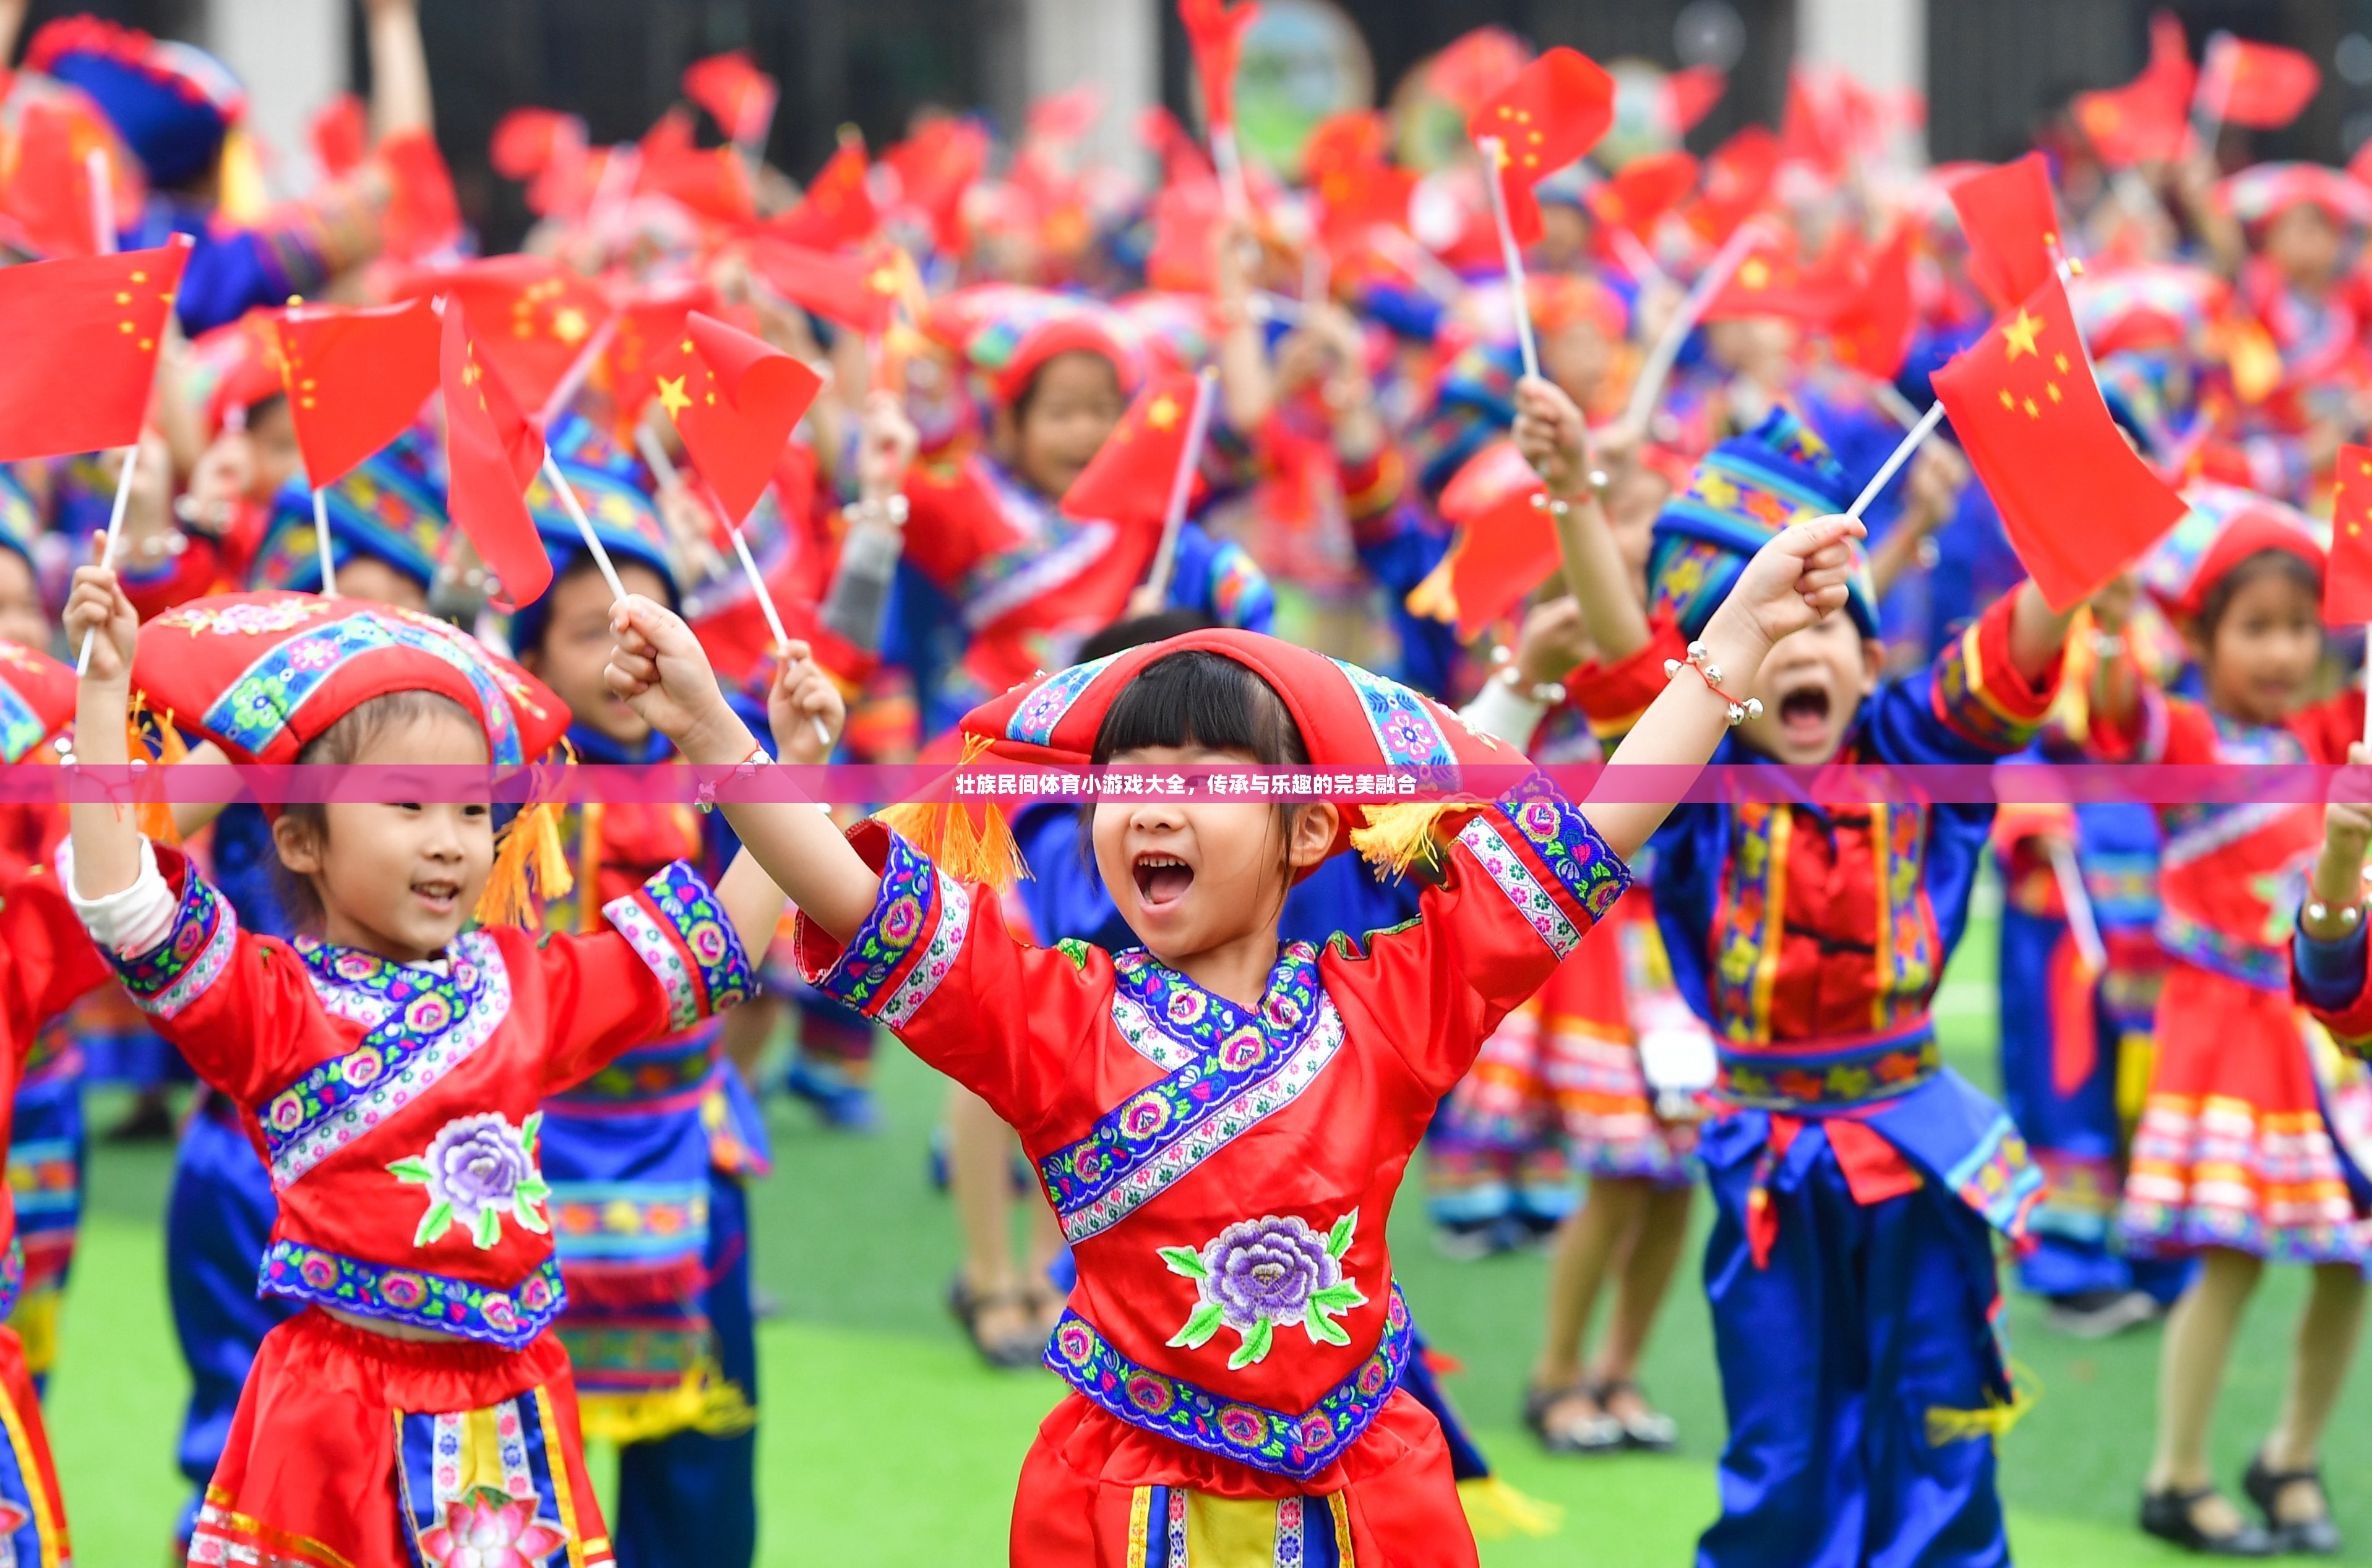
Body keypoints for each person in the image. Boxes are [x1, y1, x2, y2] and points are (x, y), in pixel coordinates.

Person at [600, 502, 1865, 1563]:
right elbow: (847, 892)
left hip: (1369, 1493)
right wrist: (718, 733)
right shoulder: (1048, 1012)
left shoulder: (1396, 999)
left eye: (1205, 783)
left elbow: (1599, 829)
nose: (1153, 807)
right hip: (1122, 1500)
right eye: (1125, 782)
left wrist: (1740, 637)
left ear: (1309, 834)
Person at [58, 568, 810, 1567]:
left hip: (504, 1422)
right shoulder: (272, 1004)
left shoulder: (525, 983)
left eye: (469, 812)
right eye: (406, 805)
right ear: (299, 839)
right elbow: (121, 901)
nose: (450, 843)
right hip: (327, 1419)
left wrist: (790, 763)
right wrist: (104, 694)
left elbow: (716, 940)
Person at [1521, 369, 2076, 1566]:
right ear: (1718, 669)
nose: (1801, 651)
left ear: (1873, 657)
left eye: (1829, 623)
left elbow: (2016, 652)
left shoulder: (1923, 749)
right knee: (1781, 1432)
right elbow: (1632, 666)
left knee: (1938, 1415)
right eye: (1767, 632)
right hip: (1768, 1157)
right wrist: (1574, 493)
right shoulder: (1697, 786)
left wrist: (2072, 553)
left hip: (1918, 1146)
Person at [2089, 488, 2367, 1556]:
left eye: (2299, 627)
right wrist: (2110, 619)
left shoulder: (2324, 733)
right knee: (2233, 1256)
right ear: (2198, 635)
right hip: (2228, 1040)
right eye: (2254, 628)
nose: (2284, 651)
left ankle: (2290, 1452)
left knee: (2350, 1254)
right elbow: (2118, 710)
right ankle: (2177, 1472)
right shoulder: (2190, 738)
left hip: (2325, 1045)